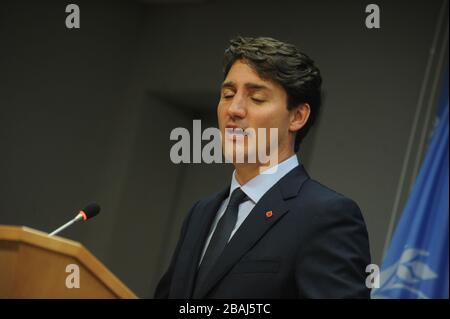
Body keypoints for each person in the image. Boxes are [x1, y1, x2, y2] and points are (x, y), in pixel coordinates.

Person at [154, 36, 371, 298]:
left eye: (256, 98)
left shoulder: (327, 216)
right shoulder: (201, 212)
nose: (234, 109)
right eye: (228, 94)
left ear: (297, 116)